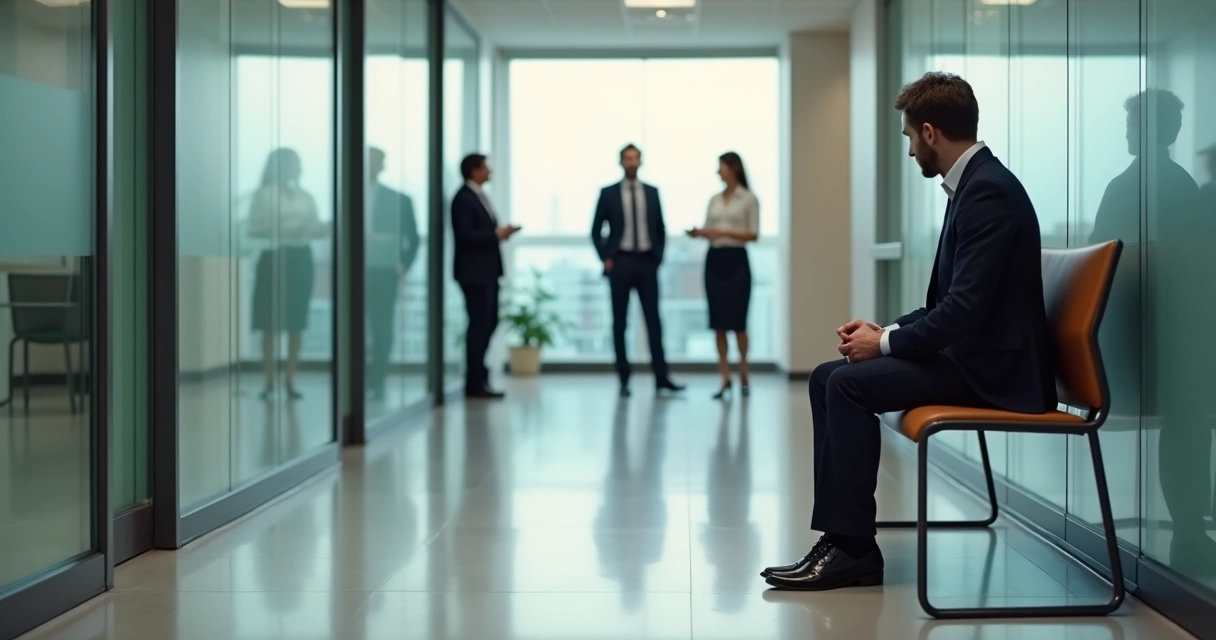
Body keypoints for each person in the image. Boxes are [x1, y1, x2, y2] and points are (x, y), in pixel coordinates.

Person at [762, 72, 1056, 591]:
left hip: (994, 371)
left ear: (930, 132)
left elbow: (961, 312)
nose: (910, 149)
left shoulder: (987, 192)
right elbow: (947, 306)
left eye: (909, 137)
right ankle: (843, 537)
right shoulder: (974, 186)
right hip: (975, 356)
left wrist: (883, 344)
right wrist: (885, 331)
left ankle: (853, 549)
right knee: (827, 376)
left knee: (845, 384)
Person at [591, 144, 685, 398]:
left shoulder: (652, 192)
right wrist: (606, 257)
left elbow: (660, 228)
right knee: (619, 323)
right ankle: (623, 379)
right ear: (621, 162)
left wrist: (658, 256)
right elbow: (596, 230)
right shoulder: (608, 193)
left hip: (646, 263)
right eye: (627, 158)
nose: (632, 162)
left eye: (635, 158)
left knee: (654, 321)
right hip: (620, 262)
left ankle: (661, 378)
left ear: (641, 161)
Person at [247, 148, 328, 400]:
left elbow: (316, 226)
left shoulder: (306, 196)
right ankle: (269, 380)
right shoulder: (264, 194)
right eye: (294, 163)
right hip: (274, 256)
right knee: (268, 322)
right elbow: (252, 229)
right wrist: (283, 230)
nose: (298, 168)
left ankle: (290, 379)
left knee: (296, 321)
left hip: (300, 258)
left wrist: (320, 230)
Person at [688, 152, 759, 399]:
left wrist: (724, 231)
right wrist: (702, 232)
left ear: (733, 168)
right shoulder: (714, 199)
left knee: (738, 323)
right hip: (715, 261)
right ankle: (725, 377)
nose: (718, 172)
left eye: (721, 167)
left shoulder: (748, 198)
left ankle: (744, 373)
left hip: (737, 262)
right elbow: (710, 229)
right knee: (718, 323)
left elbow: (753, 234)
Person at [451, 153, 519, 399]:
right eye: (486, 167)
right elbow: (465, 235)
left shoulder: (479, 196)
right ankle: (475, 381)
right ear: (474, 170)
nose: (490, 171)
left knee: (488, 322)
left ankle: (480, 375)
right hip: (474, 274)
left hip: (487, 272)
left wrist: (498, 233)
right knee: (479, 325)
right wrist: (496, 234)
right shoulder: (463, 198)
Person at [366, 147, 420, 400]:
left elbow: (413, 239)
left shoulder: (399, 199)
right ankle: (355, 379)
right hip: (353, 272)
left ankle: (377, 381)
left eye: (377, 161)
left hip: (384, 271)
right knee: (352, 329)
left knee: (382, 327)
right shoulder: (345, 194)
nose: (375, 165)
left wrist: (402, 266)